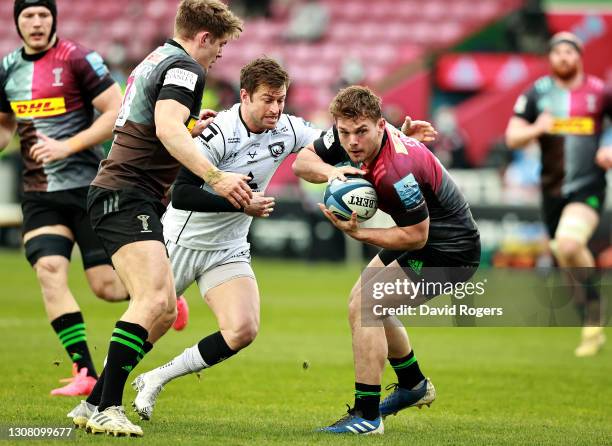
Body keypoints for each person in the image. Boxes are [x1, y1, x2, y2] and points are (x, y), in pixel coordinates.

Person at [105, 58, 435, 422]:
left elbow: (343, 145)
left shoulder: (289, 128)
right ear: (245, 96)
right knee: (148, 321)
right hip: (183, 240)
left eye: (281, 99)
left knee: (243, 328)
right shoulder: (219, 132)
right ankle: (100, 401)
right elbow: (181, 194)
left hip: (228, 248)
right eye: (268, 100)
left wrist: (397, 141)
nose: (276, 108)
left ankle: (156, 379)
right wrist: (240, 202)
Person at [78, 0, 250, 437]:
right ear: (204, 38)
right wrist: (216, 175)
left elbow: (161, 122)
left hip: (125, 193)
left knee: (160, 305)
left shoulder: (156, 56)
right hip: (127, 192)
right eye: (221, 46)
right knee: (156, 301)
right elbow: (165, 128)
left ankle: (94, 402)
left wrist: (190, 125)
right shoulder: (187, 68)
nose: (220, 56)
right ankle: (107, 408)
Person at [292, 86, 480, 434]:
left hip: (451, 251)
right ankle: (413, 386)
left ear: (380, 125)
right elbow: (302, 162)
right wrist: (332, 173)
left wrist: (361, 234)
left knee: (367, 304)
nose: (351, 142)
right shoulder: (351, 134)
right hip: (423, 237)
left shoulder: (397, 171)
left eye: (361, 132)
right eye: (345, 133)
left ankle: (367, 416)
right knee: (362, 301)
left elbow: (417, 236)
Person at [0, 0, 128, 396]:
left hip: (88, 187)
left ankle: (164, 294)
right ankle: (85, 372)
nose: (36, 23)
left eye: (43, 15)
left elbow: (115, 109)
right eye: (28, 16)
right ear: (18, 22)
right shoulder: (7, 68)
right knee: (49, 271)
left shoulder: (78, 59)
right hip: (40, 194)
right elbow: (5, 123)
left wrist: (66, 146)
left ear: (53, 19)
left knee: (106, 288)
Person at [505, 32, 612, 357]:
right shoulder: (537, 94)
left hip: (588, 186)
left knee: (569, 243)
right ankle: (587, 314)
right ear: (550, 58)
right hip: (551, 190)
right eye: (558, 52)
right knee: (565, 257)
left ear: (579, 56)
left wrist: (609, 146)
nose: (564, 57)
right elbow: (512, 137)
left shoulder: (599, 92)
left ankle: (596, 312)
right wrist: (537, 128)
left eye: (570, 51)